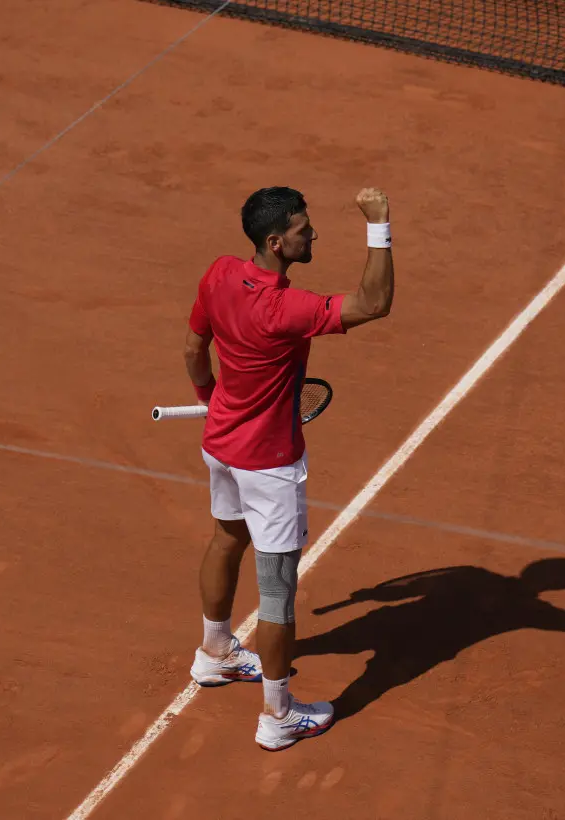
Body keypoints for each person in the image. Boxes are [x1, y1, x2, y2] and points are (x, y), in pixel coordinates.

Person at [181, 185, 395, 750]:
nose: (313, 235)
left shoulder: (219, 273)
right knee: (276, 593)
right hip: (270, 467)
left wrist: (208, 397)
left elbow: (191, 349)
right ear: (276, 243)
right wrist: (378, 224)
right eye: (304, 230)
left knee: (227, 538)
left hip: (220, 443)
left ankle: (216, 653)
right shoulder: (285, 310)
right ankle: (278, 716)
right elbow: (374, 303)